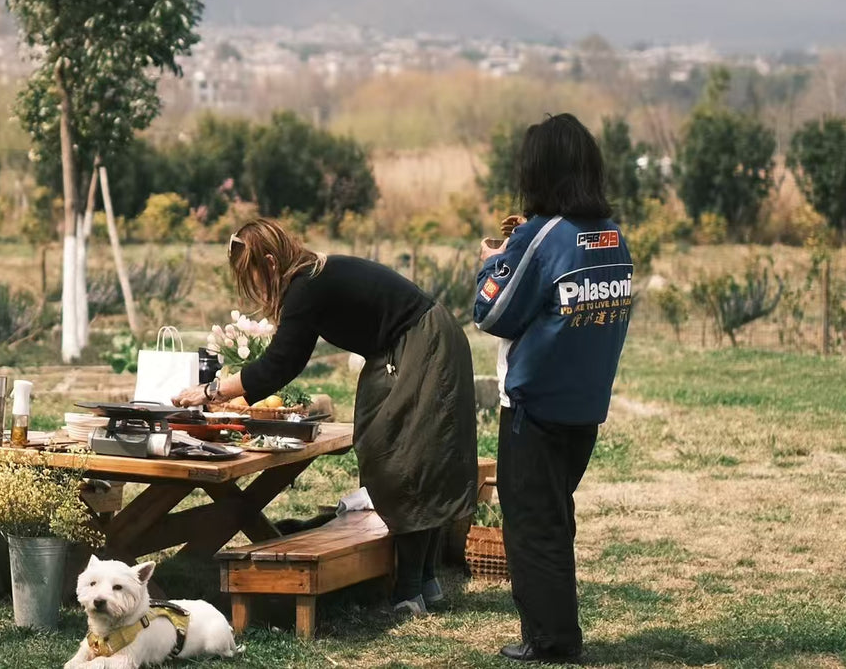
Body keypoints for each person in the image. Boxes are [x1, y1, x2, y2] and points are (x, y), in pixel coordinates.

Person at [174, 218, 477, 618]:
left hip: (423, 340)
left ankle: (410, 590)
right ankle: (423, 582)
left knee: (401, 460)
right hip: (413, 341)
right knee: (396, 451)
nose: (259, 290)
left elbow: (280, 364)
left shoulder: (306, 286)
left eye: (255, 278)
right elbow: (288, 360)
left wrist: (212, 391)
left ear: (270, 260)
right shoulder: (314, 277)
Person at [473, 113, 633, 663]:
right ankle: (553, 630)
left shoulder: (542, 238)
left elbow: (490, 313)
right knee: (554, 517)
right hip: (584, 406)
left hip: (533, 407)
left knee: (533, 526)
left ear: (539, 172)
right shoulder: (612, 237)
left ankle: (551, 641)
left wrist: (493, 262)